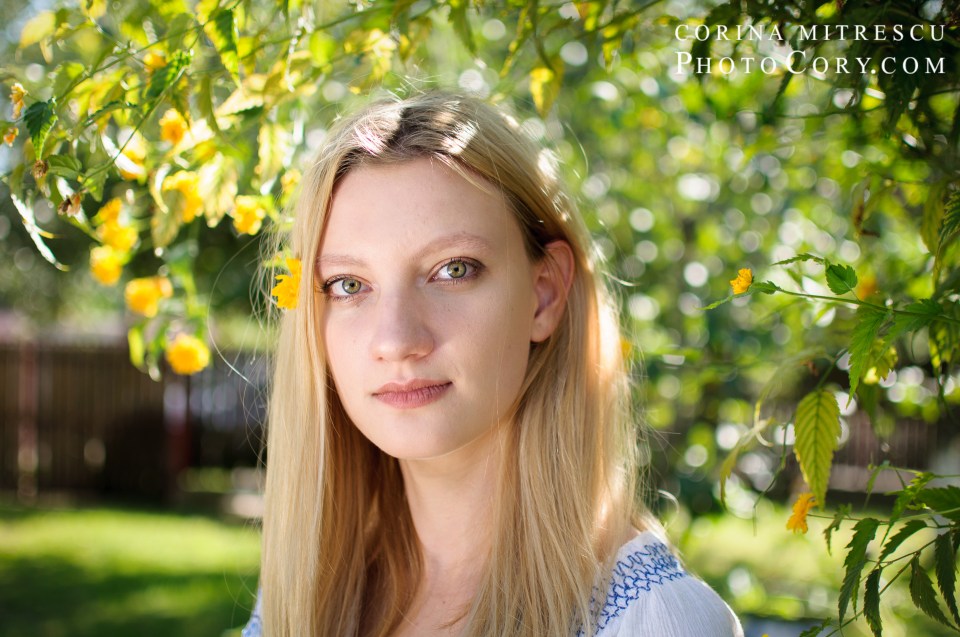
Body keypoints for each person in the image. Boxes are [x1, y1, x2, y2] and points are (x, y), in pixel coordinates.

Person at [242, 91, 743, 637]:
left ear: (544, 294)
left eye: (453, 269)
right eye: (348, 285)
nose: (396, 340)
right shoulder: (307, 591)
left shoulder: (656, 621)